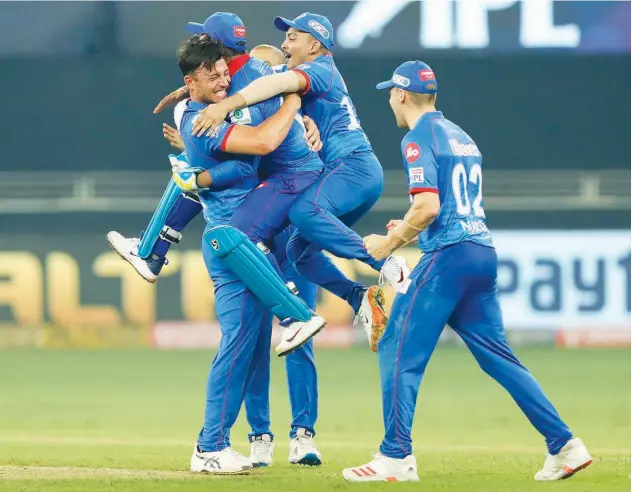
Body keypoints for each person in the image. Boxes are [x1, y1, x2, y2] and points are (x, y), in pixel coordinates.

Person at [341, 61, 592, 482]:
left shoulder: (417, 139)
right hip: (480, 251)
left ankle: (395, 457)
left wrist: (390, 242)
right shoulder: (462, 136)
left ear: (401, 94)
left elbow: (429, 207)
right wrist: (410, 227)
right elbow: (444, 207)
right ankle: (565, 445)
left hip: (450, 258)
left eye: (390, 92)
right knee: (499, 358)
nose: (389, 99)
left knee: (396, 349)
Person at [163, 12, 411, 311]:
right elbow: (269, 72)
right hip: (338, 172)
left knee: (304, 211)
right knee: (300, 252)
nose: (285, 43)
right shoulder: (289, 72)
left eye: (293, 38)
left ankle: (384, 260)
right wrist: (187, 91)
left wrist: (225, 105)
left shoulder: (319, 69)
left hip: (350, 166)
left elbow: (276, 82)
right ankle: (359, 298)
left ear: (315, 45)